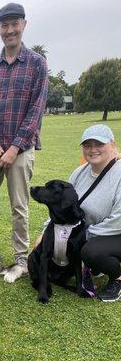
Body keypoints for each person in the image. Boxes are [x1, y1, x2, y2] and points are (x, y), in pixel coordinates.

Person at [0, 3, 48, 283]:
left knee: (19, 207)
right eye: (4, 26)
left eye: (14, 24)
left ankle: (20, 261)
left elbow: (35, 112)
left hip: (20, 152)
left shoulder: (37, 64)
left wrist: (14, 148)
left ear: (24, 25)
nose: (10, 30)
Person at [70, 124, 121, 302]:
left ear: (112, 144)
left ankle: (118, 277)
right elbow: (65, 206)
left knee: (91, 251)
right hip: (96, 234)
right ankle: (96, 265)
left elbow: (118, 221)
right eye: (87, 145)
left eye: (99, 144)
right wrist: (47, 232)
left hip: (117, 233)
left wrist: (84, 236)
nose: (92, 150)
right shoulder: (79, 173)